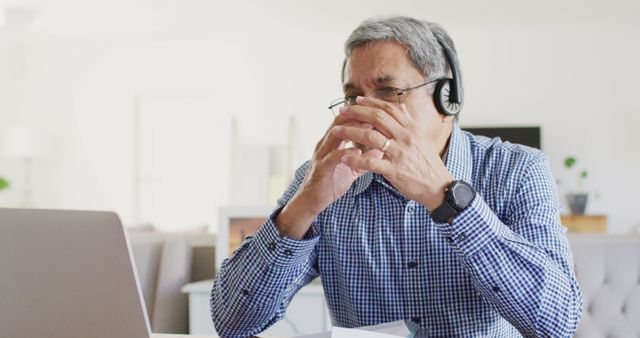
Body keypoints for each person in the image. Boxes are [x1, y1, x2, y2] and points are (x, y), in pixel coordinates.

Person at [211, 16, 582, 337]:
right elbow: (231, 322)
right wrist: (303, 206)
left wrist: (446, 197)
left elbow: (557, 323)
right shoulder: (321, 178)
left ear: (446, 98)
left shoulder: (518, 169)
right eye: (353, 97)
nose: (364, 111)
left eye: (388, 92)